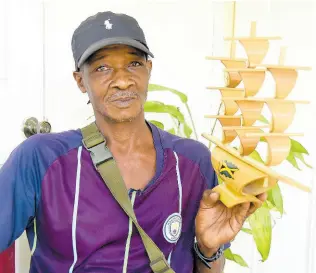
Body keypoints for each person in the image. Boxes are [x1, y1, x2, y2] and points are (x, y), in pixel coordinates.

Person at [0, 11, 266, 273]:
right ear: (81, 81)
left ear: (148, 70)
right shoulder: (40, 158)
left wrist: (209, 249)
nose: (123, 80)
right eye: (102, 68)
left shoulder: (191, 163)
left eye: (134, 64)